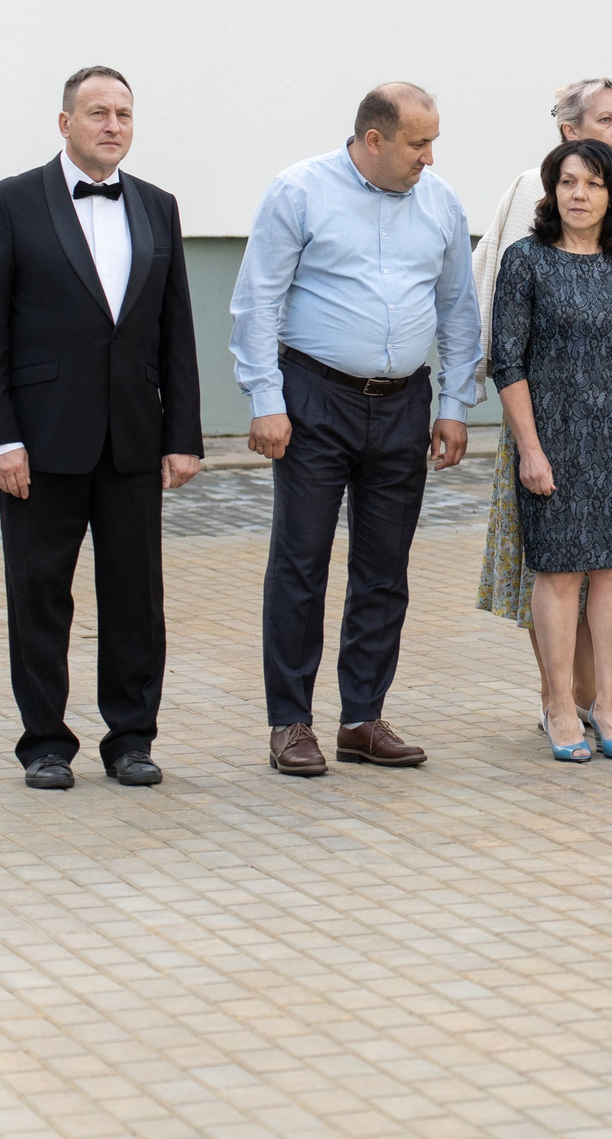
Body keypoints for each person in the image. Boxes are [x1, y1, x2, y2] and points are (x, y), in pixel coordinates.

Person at [230, 83, 479, 777]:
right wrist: (265, 399)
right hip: (315, 399)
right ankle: (291, 722)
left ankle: (362, 717)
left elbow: (459, 309)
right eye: (418, 143)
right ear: (375, 139)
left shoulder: (441, 203)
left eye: (433, 142)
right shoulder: (299, 191)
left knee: (384, 568)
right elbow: (257, 301)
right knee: (301, 562)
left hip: (403, 405)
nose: (429, 157)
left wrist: (455, 404)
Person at [0, 66, 204, 789]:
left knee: (137, 597)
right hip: (41, 441)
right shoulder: (10, 201)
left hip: (132, 436)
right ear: (65, 123)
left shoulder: (158, 206)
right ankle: (44, 741)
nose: (113, 125)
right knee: (40, 595)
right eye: (98, 112)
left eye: (123, 114)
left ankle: (131, 738)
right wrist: (1, 438)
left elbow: (176, 328)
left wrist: (182, 433)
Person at [472, 77, 612, 741]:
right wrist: (530, 449)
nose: (580, 194)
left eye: (592, 184)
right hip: (552, 439)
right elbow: (508, 359)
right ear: (553, 188)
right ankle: (561, 704)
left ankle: (607, 706)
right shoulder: (526, 260)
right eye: (568, 183)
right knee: (558, 574)